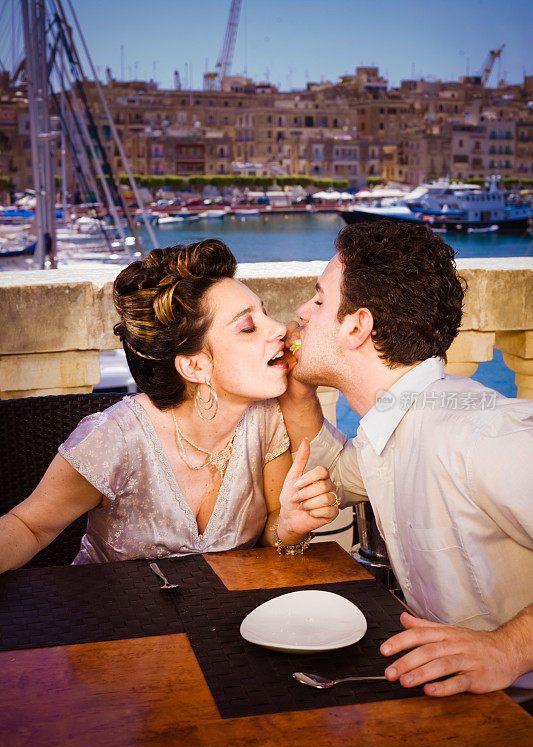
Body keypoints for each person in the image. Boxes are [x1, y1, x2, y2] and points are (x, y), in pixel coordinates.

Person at [280, 220, 533, 697]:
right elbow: (332, 474)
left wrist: (509, 649)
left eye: (318, 300)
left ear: (358, 326)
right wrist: (298, 396)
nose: (301, 313)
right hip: (461, 701)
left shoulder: (479, 434)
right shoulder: (397, 416)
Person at [0, 239, 339, 571]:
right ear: (194, 366)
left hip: (221, 622)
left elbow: (273, 530)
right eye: (249, 327)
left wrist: (291, 527)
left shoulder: (265, 419)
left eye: (264, 314)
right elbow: (29, 526)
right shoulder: (114, 440)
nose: (280, 329)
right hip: (107, 618)